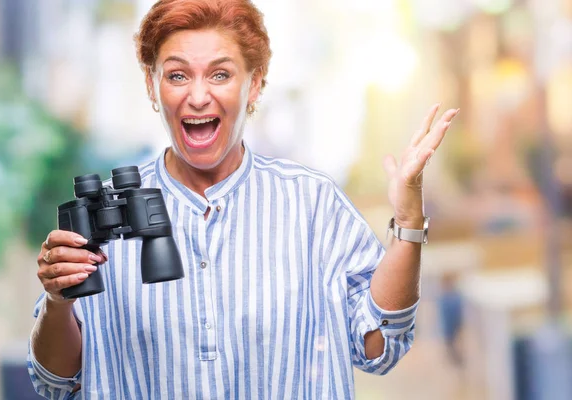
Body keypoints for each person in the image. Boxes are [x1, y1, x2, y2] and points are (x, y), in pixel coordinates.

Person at [28, 0, 459, 398]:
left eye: (220, 74)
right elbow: (55, 382)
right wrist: (56, 302)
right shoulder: (106, 214)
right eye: (177, 74)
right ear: (151, 83)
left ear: (254, 85)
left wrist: (407, 221)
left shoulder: (311, 203)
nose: (198, 96)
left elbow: (379, 346)